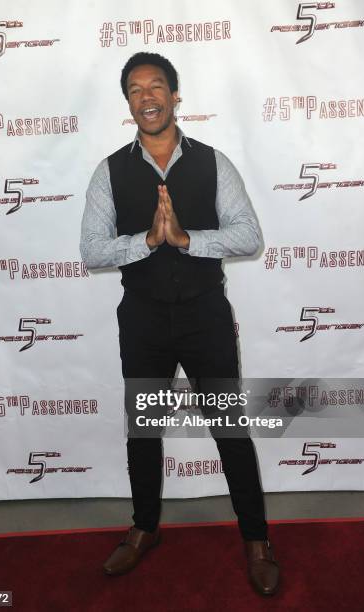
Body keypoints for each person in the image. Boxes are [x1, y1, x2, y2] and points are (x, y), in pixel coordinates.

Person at [80, 52, 280, 596]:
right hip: (142, 318)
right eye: (136, 89)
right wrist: (145, 242)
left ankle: (257, 540)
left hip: (204, 316)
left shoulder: (214, 163)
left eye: (157, 86)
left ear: (174, 96)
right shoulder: (110, 171)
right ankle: (144, 528)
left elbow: (248, 236)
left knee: (230, 430)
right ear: (128, 103)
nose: (147, 97)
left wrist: (189, 240)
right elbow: (91, 251)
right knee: (142, 429)